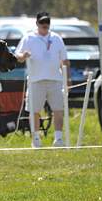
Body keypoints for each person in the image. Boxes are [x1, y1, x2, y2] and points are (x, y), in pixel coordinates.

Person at [14, 12, 71, 148]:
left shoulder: (56, 38)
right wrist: (24, 55)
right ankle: (36, 139)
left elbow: (65, 60)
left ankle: (58, 138)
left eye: (47, 24)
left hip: (55, 80)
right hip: (35, 80)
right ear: (37, 24)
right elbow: (17, 55)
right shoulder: (29, 38)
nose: (45, 26)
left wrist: (67, 79)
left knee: (58, 109)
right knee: (34, 111)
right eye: (42, 23)